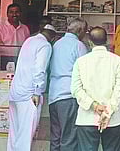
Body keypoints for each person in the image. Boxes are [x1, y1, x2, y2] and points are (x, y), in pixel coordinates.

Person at [71, 27, 120, 151]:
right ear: (107, 40)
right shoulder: (118, 61)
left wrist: (94, 106)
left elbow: (75, 89)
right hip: (113, 119)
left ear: (89, 41)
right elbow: (119, 90)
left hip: (87, 118)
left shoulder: (81, 62)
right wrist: (107, 112)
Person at [7, 24, 57, 151]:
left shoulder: (29, 40)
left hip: (16, 91)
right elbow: (40, 69)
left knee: (14, 132)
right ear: (52, 37)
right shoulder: (45, 45)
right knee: (26, 133)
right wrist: (37, 91)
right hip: (29, 94)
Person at [48, 17, 88, 151]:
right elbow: (85, 73)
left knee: (56, 137)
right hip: (69, 96)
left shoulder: (56, 44)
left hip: (54, 96)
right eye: (85, 31)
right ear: (80, 30)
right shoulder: (79, 46)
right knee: (69, 138)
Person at [0, 3, 30, 70]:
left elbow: (28, 45)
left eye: (17, 12)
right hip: (3, 59)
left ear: (20, 13)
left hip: (20, 59)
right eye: (11, 12)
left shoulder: (25, 28)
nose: (14, 14)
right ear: (7, 14)